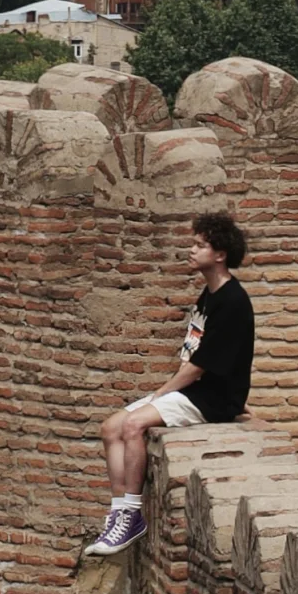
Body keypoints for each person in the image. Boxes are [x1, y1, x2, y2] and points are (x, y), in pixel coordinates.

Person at [84, 211, 254, 557]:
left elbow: (200, 366)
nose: (191, 251)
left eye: (199, 245)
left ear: (219, 254)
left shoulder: (233, 301)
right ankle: (119, 511)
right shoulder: (208, 295)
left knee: (133, 425)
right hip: (197, 392)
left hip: (210, 399)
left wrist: (162, 393)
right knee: (109, 428)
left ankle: (132, 514)